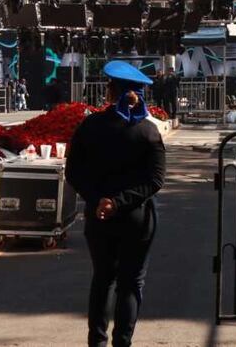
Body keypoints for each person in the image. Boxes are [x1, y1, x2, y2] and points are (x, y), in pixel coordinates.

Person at [66, 60, 166, 347]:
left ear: (110, 92)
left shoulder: (90, 126)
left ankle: (96, 342)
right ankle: (122, 342)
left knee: (103, 279)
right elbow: (155, 181)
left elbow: (74, 171)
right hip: (137, 218)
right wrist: (120, 202)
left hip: (99, 218)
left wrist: (100, 201)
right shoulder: (148, 132)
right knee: (131, 283)